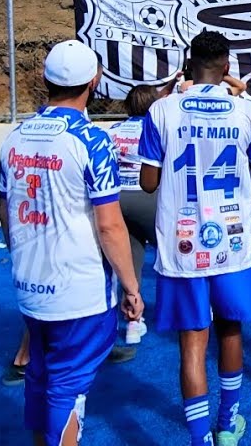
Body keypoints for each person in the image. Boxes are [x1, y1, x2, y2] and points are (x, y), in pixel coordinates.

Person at [0, 40, 141, 446]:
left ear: (46, 79)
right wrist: (131, 288)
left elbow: (5, 213)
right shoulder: (92, 140)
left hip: (30, 284)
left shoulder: (14, 137)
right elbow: (110, 227)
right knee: (67, 387)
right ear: (94, 81)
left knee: (40, 374)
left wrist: (21, 257)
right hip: (79, 291)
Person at [138, 31, 251, 446]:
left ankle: (200, 439)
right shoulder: (247, 111)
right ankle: (228, 425)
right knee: (230, 331)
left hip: (182, 246)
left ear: (188, 64)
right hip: (232, 243)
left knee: (192, 344)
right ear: (227, 66)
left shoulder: (162, 110)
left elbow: (148, 182)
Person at [105, 85, 164, 347]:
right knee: (174, 255)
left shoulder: (112, 131)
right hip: (150, 197)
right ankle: (188, 310)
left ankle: (133, 322)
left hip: (118, 199)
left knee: (129, 263)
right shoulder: (156, 128)